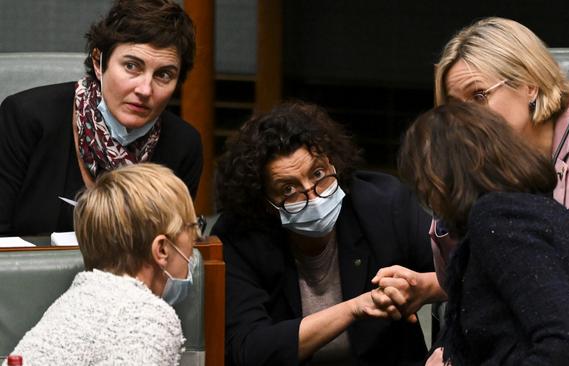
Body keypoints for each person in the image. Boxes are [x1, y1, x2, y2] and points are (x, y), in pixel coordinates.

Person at [376, 102, 569, 366]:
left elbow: (566, 349)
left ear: (440, 177)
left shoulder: (498, 218)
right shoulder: (554, 217)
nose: (427, 198)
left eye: (423, 184)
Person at [211, 102, 439, 366]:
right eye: (288, 190)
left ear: (334, 163)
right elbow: (249, 350)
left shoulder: (384, 203)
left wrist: (423, 287)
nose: (312, 195)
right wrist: (354, 308)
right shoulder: (240, 237)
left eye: (318, 173)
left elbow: (469, 272)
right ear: (264, 201)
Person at [0, 0, 203, 236]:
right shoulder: (26, 117)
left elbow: (172, 250)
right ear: (99, 62)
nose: (145, 90)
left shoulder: (183, 145)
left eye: (164, 75)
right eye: (131, 66)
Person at [434, 17, 569, 232]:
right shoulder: (483, 155)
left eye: (479, 96)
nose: (465, 117)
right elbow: (470, 262)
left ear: (529, 85)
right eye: (455, 106)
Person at [5, 163, 201, 365]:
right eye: (192, 227)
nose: (196, 240)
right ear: (161, 249)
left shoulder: (76, 302)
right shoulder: (146, 319)